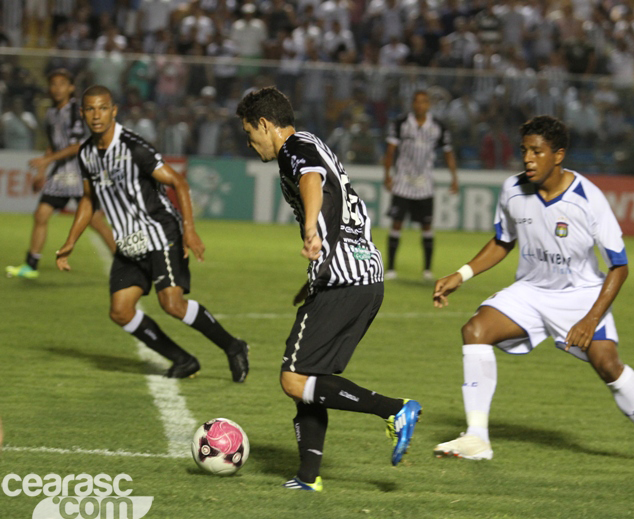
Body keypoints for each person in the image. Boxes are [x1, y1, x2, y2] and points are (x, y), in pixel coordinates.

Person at [432, 116, 634, 470]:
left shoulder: (587, 199)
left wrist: (589, 319)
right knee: (475, 331)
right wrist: (463, 273)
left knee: (608, 365)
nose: (529, 159)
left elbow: (620, 266)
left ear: (558, 155)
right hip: (531, 292)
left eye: (538, 151)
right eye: (524, 151)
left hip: (581, 296)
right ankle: (477, 438)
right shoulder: (513, 190)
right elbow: (504, 241)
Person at [236, 87, 422, 492]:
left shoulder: (294, 148)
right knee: (310, 379)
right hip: (363, 276)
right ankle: (308, 476)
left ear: (266, 125)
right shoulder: (312, 142)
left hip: (343, 276)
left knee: (293, 378)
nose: (251, 145)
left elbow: (310, 180)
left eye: (251, 135)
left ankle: (395, 410)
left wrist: (308, 230)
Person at [55, 85, 249, 383]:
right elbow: (88, 199)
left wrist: (190, 231)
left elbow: (179, 183)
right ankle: (183, 360)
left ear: (114, 110)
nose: (96, 115)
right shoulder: (86, 154)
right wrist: (70, 242)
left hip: (160, 233)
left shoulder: (134, 147)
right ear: (82, 113)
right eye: (90, 109)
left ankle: (233, 346)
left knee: (172, 304)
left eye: (103, 108)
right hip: (129, 243)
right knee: (120, 311)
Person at [6, 69, 115, 280]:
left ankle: (125, 264)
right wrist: (42, 171)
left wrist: (47, 161)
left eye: (62, 84)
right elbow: (53, 146)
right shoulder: (51, 113)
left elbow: (77, 145)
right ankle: (31, 265)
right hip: (62, 175)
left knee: (95, 222)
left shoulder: (77, 110)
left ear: (71, 87)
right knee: (41, 215)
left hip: (82, 173)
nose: (57, 88)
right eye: (53, 84)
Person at [383, 90, 459, 281]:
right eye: (417, 102)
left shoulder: (438, 126)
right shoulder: (401, 124)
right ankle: (391, 268)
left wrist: (454, 177)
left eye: (424, 102)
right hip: (402, 181)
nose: (420, 106)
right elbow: (390, 152)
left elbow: (448, 152)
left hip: (425, 182)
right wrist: (387, 175)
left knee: (426, 225)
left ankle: (427, 270)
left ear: (429, 105)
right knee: (396, 223)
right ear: (412, 104)